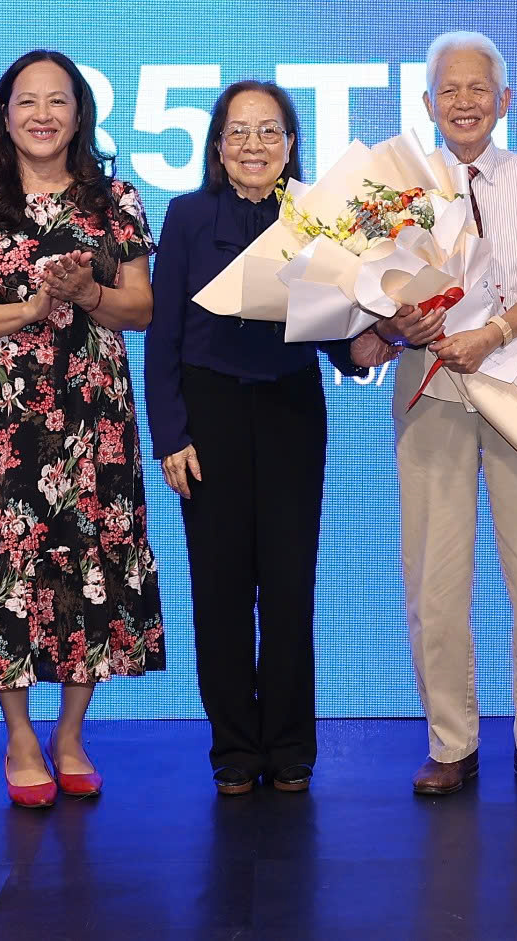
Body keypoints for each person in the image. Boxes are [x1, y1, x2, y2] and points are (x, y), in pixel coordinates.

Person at [0, 49, 163, 808]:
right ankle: (21, 736)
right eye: (26, 101)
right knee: (6, 566)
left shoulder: (115, 200)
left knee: (89, 561)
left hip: (93, 417)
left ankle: (70, 733)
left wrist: (88, 291)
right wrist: (29, 308)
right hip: (0, 420)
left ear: (79, 114)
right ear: (4, 115)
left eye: (57, 101)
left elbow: (140, 309)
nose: (42, 114)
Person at [348, 32, 517, 798]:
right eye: (450, 88)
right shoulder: (397, 190)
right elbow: (372, 290)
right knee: (434, 575)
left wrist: (495, 332)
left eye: (480, 88)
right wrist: (396, 322)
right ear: (427, 102)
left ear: (505, 100)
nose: (465, 101)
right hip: (432, 378)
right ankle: (451, 742)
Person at [143, 81, 348, 796]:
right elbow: (163, 335)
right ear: (218, 146)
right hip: (210, 413)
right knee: (221, 586)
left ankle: (290, 743)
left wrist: (379, 333)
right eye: (238, 132)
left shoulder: (319, 218)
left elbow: (339, 328)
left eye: (269, 131)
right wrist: (170, 433)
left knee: (290, 585)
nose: (253, 145)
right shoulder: (188, 216)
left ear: (291, 144)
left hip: (292, 407)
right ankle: (233, 745)